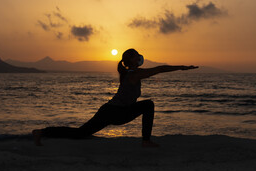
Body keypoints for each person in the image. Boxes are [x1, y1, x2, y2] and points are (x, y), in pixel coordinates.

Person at [32, 49, 198, 147]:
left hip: (115, 111)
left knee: (81, 133)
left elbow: (156, 70)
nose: (139, 57)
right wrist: (182, 68)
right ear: (130, 60)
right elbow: (160, 69)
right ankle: (42, 132)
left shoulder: (131, 73)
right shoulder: (134, 74)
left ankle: (42, 132)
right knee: (80, 133)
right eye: (136, 55)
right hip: (114, 112)